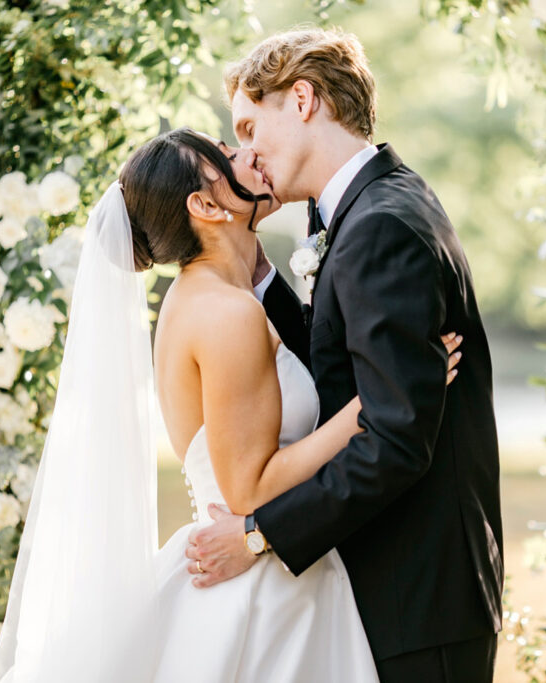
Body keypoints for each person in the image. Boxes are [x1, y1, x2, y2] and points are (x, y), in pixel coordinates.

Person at [0, 127, 463, 682]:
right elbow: (250, 489)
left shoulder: (210, 297)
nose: (247, 153)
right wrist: (368, 408)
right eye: (225, 154)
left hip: (269, 572)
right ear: (206, 204)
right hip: (263, 595)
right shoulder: (223, 314)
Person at [186, 29, 504, 682]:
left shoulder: (378, 226)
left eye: (250, 127)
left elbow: (394, 440)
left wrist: (257, 533)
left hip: (417, 605)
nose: (247, 154)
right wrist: (260, 278)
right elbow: (345, 361)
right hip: (402, 596)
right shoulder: (374, 205)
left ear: (301, 99)